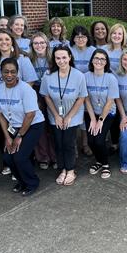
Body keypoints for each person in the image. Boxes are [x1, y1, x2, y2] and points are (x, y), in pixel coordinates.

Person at [0, 29, 38, 175]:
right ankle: (8, 162)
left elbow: (30, 80)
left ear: (12, 42)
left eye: (7, 39)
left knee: (22, 134)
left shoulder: (22, 59)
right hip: (3, 106)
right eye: (0, 40)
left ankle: (26, 161)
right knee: (4, 134)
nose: (4, 42)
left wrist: (18, 98)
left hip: (19, 105)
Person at [0, 58, 45, 196]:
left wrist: (18, 137)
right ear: (1, 72)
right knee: (8, 157)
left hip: (33, 125)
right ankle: (22, 181)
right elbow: (0, 115)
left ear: (17, 73)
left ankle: (32, 182)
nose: (9, 75)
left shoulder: (25, 89)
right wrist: (7, 137)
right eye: (6, 72)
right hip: (14, 126)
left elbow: (30, 114)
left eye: (12, 72)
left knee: (20, 157)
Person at [40, 45, 87, 186]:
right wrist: (56, 115)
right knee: (58, 143)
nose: (61, 61)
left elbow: (81, 98)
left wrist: (68, 117)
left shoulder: (79, 75)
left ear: (70, 57)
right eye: (58, 58)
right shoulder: (48, 75)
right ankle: (62, 169)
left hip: (73, 115)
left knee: (68, 143)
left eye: (64, 57)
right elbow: (46, 96)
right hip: (55, 115)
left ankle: (71, 170)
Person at [84, 49, 119, 179]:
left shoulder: (111, 78)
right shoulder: (85, 76)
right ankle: (98, 161)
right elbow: (86, 98)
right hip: (90, 112)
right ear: (92, 60)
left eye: (102, 59)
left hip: (107, 113)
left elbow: (110, 101)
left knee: (99, 140)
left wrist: (100, 120)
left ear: (106, 62)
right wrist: (93, 118)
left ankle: (105, 164)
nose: (99, 61)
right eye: (96, 58)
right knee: (91, 141)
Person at [29, 32, 56, 170]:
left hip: (52, 93)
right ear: (32, 45)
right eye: (36, 43)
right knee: (39, 126)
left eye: (41, 42)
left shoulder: (53, 58)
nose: (39, 45)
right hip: (35, 92)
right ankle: (43, 156)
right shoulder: (29, 59)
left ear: (47, 44)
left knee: (52, 125)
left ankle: (55, 155)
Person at [69, 26, 96, 156]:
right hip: (72, 88)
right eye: (77, 36)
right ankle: (73, 145)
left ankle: (85, 144)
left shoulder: (93, 51)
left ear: (87, 38)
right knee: (72, 116)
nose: (80, 39)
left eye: (83, 36)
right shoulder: (69, 50)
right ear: (73, 38)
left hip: (89, 87)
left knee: (86, 117)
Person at [103, 23, 127, 151]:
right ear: (110, 35)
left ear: (124, 35)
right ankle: (114, 143)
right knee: (113, 115)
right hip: (109, 88)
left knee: (123, 114)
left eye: (120, 33)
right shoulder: (104, 50)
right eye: (114, 33)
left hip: (125, 87)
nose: (117, 36)